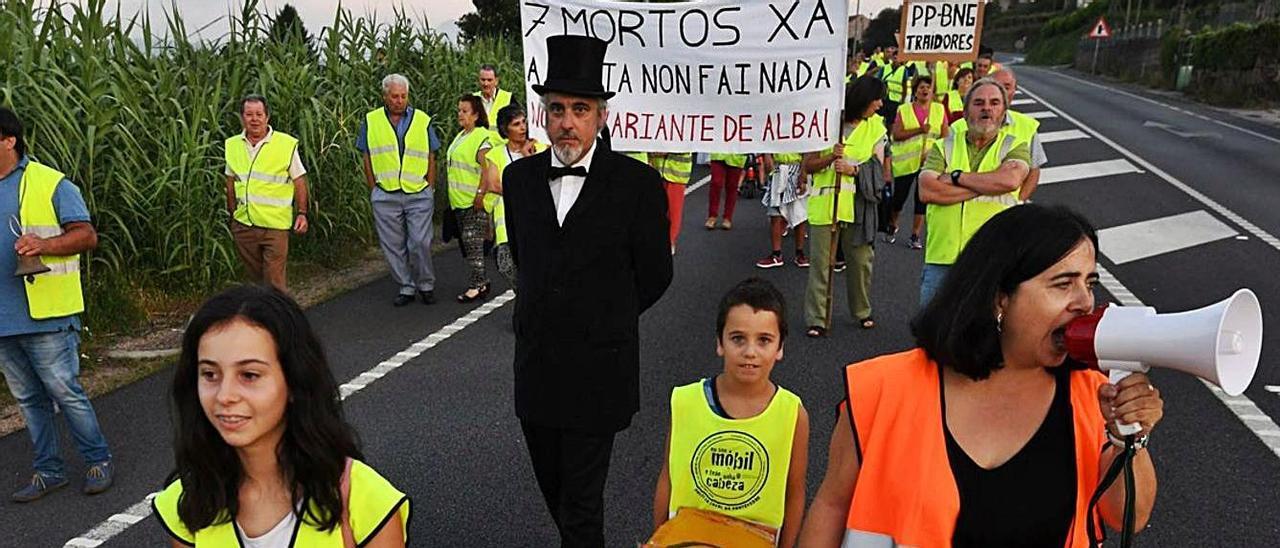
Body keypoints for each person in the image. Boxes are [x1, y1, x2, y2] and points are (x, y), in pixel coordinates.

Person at [798, 204, 1165, 547]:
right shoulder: (882, 389)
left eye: (1090, 283)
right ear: (999, 298)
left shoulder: (1095, 397)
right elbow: (832, 505)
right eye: (1063, 284)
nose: (1085, 302)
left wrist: (1128, 435)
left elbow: (1128, 517)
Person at [503, 34, 672, 547]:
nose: (567, 121)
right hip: (536, 370)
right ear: (544, 114)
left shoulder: (638, 185)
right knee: (556, 492)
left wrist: (604, 316)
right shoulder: (520, 180)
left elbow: (656, 274)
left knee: (580, 505)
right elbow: (527, 260)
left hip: (599, 369)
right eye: (557, 109)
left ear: (601, 116)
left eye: (580, 108)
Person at [153, 285, 409, 547]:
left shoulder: (365, 501)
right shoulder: (190, 501)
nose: (224, 396)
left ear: (295, 381)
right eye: (209, 374)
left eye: (249, 375)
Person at [0, 106, 113, 502]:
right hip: (3, 320)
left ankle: (98, 460)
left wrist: (44, 245)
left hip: (47, 314)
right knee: (28, 400)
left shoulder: (50, 182)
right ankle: (49, 470)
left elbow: (86, 235)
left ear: (9, 140)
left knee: (65, 391)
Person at [653, 278, 810, 548]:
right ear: (720, 343)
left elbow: (794, 493)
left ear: (780, 348)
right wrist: (659, 537)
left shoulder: (792, 413)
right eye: (738, 338)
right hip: (688, 537)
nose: (750, 352)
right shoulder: (686, 401)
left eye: (764, 340)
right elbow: (668, 476)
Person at [917, 78, 1031, 306]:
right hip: (943, 258)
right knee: (934, 333)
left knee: (984, 334)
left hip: (993, 260)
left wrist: (957, 178)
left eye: (994, 103)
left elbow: (1010, 180)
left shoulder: (1014, 146)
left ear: (1003, 111)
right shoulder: (944, 146)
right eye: (978, 103)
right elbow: (927, 191)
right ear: (966, 111)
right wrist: (984, 186)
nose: (987, 108)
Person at [802, 76, 891, 337]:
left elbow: (877, 169)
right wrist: (831, 157)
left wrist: (853, 170)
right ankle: (817, 318)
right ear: (864, 99)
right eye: (877, 99)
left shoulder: (877, 127)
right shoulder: (828, 121)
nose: (881, 104)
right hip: (826, 204)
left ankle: (861, 310)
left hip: (859, 207)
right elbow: (809, 165)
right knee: (821, 264)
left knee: (861, 261)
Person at [358, 74, 440, 306]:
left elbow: (432, 155)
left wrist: (430, 187)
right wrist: (373, 188)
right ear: (385, 96)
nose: (399, 100)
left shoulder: (422, 120)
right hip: (386, 193)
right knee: (392, 245)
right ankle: (406, 286)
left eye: (403, 96)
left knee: (420, 242)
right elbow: (366, 155)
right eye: (394, 96)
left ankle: (426, 283)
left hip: (418, 192)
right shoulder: (371, 120)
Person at [224, 95, 310, 292]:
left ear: (267, 117)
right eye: (249, 114)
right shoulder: (232, 145)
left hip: (275, 226)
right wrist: (232, 215)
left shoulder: (285, 145)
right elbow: (230, 182)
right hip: (244, 225)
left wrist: (302, 213)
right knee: (255, 282)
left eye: (259, 114)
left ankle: (279, 320)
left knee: (274, 282)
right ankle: (261, 319)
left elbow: (299, 181)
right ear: (242, 117)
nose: (254, 119)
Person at [481, 104, 545, 291]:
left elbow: (542, 183)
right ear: (505, 129)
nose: (523, 127)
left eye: (524, 122)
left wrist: (527, 158)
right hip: (508, 226)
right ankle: (527, 297)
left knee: (536, 270)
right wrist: (522, 191)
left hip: (537, 224)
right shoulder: (496, 154)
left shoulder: (540, 149)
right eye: (516, 124)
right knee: (506, 265)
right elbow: (493, 185)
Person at [887, 76, 949, 250]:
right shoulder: (904, 109)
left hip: (928, 163)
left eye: (928, 88)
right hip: (906, 163)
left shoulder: (938, 109)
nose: (925, 90)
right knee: (899, 199)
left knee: (921, 200)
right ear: (915, 90)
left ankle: (915, 234)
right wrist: (919, 130)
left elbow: (945, 136)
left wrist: (937, 153)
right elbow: (896, 134)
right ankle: (892, 225)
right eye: (922, 87)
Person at [447, 94, 494, 303]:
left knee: (473, 243)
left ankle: (477, 285)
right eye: (459, 110)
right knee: (469, 245)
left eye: (465, 111)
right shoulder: (461, 136)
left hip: (473, 201)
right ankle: (481, 281)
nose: (460, 114)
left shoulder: (481, 137)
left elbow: (487, 169)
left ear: (475, 115)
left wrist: (480, 194)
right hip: (459, 200)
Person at [991, 68, 1048, 201]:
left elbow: (1034, 170)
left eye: (1007, 87)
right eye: (997, 86)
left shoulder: (1027, 126)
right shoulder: (961, 126)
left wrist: (1019, 202)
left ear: (1015, 90)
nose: (1002, 92)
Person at [755, 152, 809, 269]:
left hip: (796, 169)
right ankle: (776, 253)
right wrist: (768, 157)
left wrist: (803, 173)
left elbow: (806, 151)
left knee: (799, 214)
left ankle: (800, 253)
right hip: (778, 170)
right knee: (775, 214)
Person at [649, 151, 694, 253]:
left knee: (674, 211)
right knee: (656, 210)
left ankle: (670, 241)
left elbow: (688, 144)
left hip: (677, 173)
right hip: (658, 170)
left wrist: (666, 151)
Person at [706, 152, 747, 230]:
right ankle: (712, 216)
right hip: (718, 154)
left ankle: (727, 217)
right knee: (716, 183)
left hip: (736, 156)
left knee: (732, 186)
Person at [475, 64, 514, 128]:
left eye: (489, 80)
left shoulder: (508, 98)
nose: (486, 83)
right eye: (483, 80)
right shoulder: (472, 100)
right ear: (478, 80)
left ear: (496, 81)